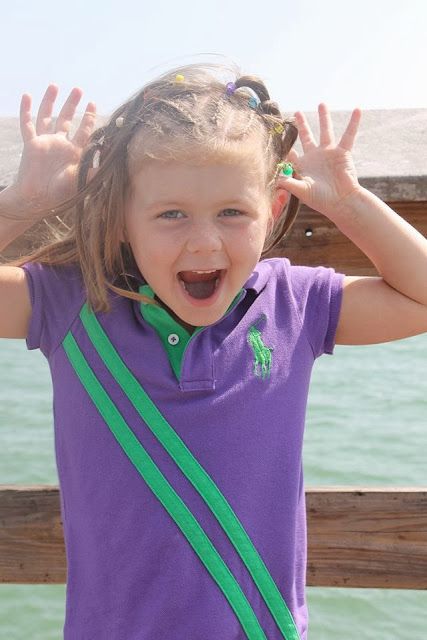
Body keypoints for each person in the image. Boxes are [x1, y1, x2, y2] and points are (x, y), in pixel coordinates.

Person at [0, 63, 426, 640]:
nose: (203, 242)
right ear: (121, 218)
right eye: (170, 214)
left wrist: (349, 204)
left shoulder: (294, 303)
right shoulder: (73, 305)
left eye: (232, 212)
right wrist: (22, 202)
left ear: (273, 210)